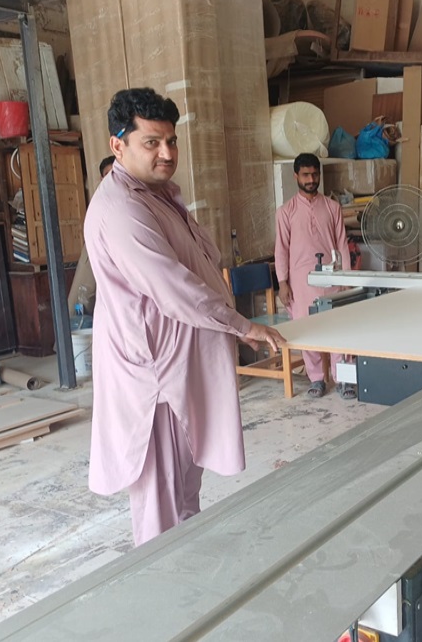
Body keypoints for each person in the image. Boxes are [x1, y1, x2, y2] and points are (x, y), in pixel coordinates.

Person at [84, 87, 286, 546]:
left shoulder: (158, 196)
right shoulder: (122, 208)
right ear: (118, 145)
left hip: (179, 371)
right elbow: (175, 288)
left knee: (184, 493)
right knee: (162, 509)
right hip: (155, 383)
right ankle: (166, 586)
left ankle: (188, 570)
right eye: (151, 142)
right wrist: (243, 326)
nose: (167, 153)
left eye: (171, 141)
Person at [274, 152, 354, 399]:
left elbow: (342, 244)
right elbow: (281, 249)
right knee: (307, 330)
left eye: (315, 174)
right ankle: (317, 379)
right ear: (296, 176)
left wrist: (347, 279)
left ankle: (344, 380)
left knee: (339, 329)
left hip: (332, 279)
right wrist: (282, 282)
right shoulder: (285, 212)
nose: (311, 180)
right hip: (301, 283)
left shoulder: (332, 207)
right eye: (306, 175)